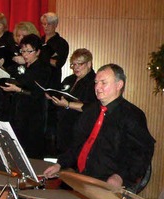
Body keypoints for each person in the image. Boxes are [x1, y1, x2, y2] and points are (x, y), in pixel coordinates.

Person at [43, 64, 155, 192]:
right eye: (96, 82)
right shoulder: (90, 111)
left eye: (103, 83)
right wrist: (60, 164)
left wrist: (120, 176)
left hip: (107, 182)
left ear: (119, 85)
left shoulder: (133, 115)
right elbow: (77, 144)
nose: (97, 87)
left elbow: (141, 153)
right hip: (81, 176)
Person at [0, 34, 51, 159]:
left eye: (29, 51)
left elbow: (37, 94)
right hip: (18, 113)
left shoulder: (43, 68)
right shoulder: (22, 67)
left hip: (34, 116)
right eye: (23, 51)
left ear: (38, 52)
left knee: (31, 152)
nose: (25, 54)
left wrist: (17, 89)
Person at [47, 49, 97, 154]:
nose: (76, 67)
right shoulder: (69, 79)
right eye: (73, 64)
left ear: (89, 64)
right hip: (63, 130)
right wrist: (52, 96)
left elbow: (91, 107)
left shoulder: (95, 82)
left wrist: (68, 104)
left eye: (79, 64)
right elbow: (60, 94)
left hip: (80, 131)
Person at [40, 12, 69, 84]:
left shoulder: (61, 43)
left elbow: (58, 63)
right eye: (44, 24)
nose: (46, 26)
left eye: (49, 24)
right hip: (38, 78)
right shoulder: (39, 41)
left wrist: (40, 57)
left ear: (55, 25)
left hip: (52, 79)